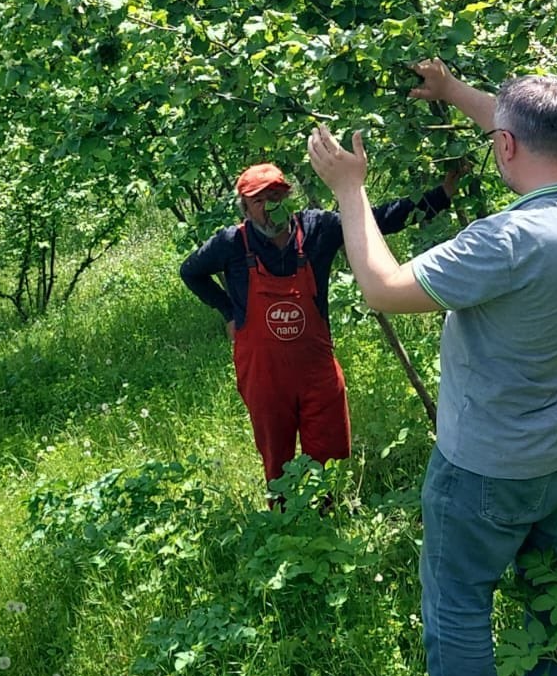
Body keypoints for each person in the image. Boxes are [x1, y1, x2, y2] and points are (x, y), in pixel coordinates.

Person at [306, 58, 557, 676]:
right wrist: (454, 92)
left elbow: (382, 288)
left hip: (489, 468)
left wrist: (350, 188)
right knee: (553, 595)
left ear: (504, 146)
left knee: (459, 607)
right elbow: (529, 132)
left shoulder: (506, 240)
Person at [179, 157, 464, 494]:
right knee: (276, 457)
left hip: (316, 369)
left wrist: (444, 193)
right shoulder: (230, 244)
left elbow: (377, 220)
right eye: (258, 200)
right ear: (244, 208)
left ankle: (328, 517)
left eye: (275, 197)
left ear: (286, 198)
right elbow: (190, 272)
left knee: (330, 457)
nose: (269, 207)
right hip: (263, 375)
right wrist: (227, 311)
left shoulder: (316, 229)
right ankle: (283, 521)